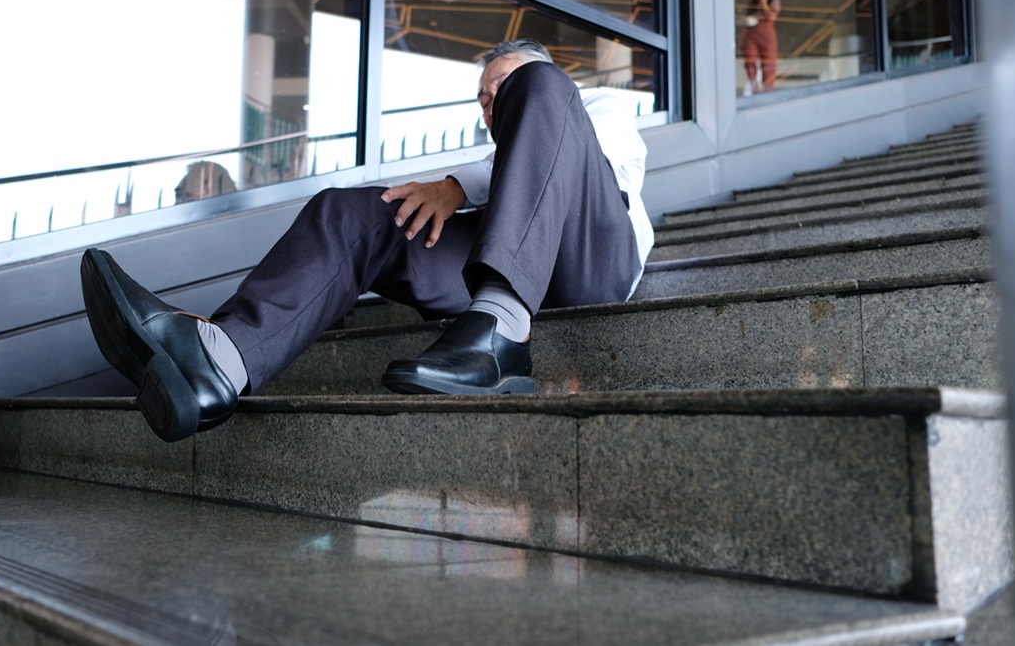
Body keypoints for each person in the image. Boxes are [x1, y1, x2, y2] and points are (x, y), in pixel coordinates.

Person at [80, 39, 653, 442]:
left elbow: (566, 152)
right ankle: (219, 365)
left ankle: (500, 336)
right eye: (483, 99)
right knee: (356, 212)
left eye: (500, 89)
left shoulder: (595, 106)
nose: (490, 107)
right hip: (505, 255)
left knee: (532, 100)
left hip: (590, 265)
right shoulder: (498, 172)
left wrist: (455, 184)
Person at [740, 0, 781, 93]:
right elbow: (746, 24)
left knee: (768, 63)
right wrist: (742, 41)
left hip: (767, 38)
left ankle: (769, 88)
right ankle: (754, 88)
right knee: (750, 62)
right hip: (751, 38)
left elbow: (771, 17)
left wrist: (764, 2)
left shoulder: (774, 1)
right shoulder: (750, 5)